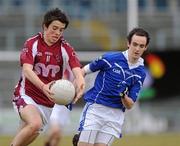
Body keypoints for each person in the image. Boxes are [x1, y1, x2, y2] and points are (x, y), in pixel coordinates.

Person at [11, 8, 85, 146]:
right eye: (54, 28)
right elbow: (27, 70)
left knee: (32, 131)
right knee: (35, 123)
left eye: (61, 30)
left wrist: (80, 85)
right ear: (45, 26)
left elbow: (77, 71)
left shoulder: (66, 48)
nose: (57, 33)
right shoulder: (32, 43)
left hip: (48, 101)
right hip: (26, 94)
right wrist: (43, 86)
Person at [73, 27, 150, 146]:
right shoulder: (110, 58)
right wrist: (76, 86)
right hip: (96, 108)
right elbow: (83, 71)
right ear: (128, 43)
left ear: (146, 47)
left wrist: (123, 96)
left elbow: (130, 105)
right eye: (135, 44)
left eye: (141, 46)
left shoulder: (141, 73)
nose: (137, 49)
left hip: (115, 116)